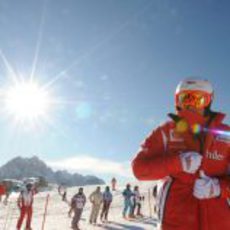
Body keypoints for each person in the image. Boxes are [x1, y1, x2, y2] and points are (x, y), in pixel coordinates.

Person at [132, 78, 230, 230]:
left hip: (219, 222)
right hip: (175, 221)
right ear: (177, 101)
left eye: (197, 99)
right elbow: (139, 169)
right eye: (185, 99)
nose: (191, 105)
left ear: (208, 102)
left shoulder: (226, 134)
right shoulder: (165, 131)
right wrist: (177, 163)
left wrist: (218, 188)